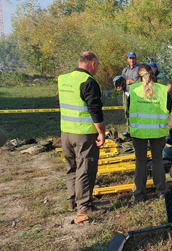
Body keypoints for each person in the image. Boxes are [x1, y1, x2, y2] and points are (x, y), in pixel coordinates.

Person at [58, 51, 105, 216]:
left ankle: (72, 200)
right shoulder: (88, 81)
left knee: (71, 168)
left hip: (66, 132)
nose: (97, 68)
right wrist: (101, 132)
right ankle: (84, 205)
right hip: (83, 133)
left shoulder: (63, 79)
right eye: (97, 65)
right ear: (92, 63)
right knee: (85, 169)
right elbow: (95, 110)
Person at [128, 64, 172, 203]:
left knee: (140, 162)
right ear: (153, 74)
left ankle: (139, 194)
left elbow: (128, 108)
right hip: (157, 130)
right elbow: (169, 108)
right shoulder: (162, 90)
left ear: (139, 76)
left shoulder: (134, 90)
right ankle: (161, 192)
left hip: (139, 131)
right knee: (157, 160)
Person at [119, 52, 140, 131]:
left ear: (136, 59)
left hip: (136, 94)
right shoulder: (125, 70)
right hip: (126, 93)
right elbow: (122, 81)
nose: (132, 60)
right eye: (130, 58)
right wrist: (120, 87)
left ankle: (136, 130)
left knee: (135, 112)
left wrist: (133, 82)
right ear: (127, 59)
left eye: (133, 58)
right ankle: (128, 130)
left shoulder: (139, 69)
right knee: (126, 112)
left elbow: (143, 82)